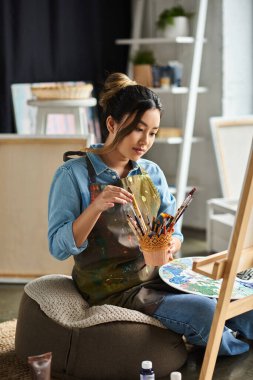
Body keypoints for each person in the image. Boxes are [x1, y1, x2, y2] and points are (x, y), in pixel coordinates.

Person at [48, 72, 253, 356]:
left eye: (153, 133)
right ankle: (234, 353)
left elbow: (173, 228)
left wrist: (173, 243)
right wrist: (96, 206)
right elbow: (58, 247)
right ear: (112, 123)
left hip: (164, 276)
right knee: (207, 312)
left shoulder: (150, 172)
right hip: (115, 290)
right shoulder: (72, 175)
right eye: (138, 129)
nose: (145, 141)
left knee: (242, 298)